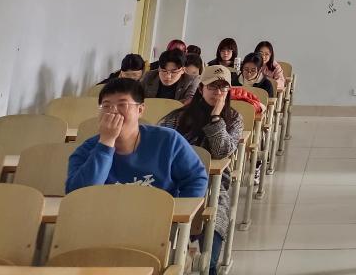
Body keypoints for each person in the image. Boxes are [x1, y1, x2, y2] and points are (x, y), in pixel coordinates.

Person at [159, 65, 242, 275]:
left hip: (213, 190)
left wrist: (216, 118)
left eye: (223, 88)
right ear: (201, 88)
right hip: (173, 185)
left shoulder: (233, 119)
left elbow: (222, 151)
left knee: (208, 259)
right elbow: (160, 149)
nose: (218, 93)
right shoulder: (177, 117)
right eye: (212, 87)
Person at [66, 78, 208, 197]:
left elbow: (196, 179)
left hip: (157, 219)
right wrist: (106, 143)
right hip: (106, 219)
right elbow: (78, 196)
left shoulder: (168, 140)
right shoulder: (86, 150)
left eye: (122, 104)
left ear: (140, 110)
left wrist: (176, 214)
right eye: (106, 106)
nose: (113, 111)